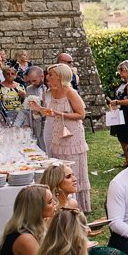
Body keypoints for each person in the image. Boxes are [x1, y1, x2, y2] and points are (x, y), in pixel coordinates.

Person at [33, 64, 91, 212]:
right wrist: (39, 109)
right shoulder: (50, 92)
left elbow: (81, 115)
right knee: (60, 166)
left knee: (73, 167)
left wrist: (60, 114)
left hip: (72, 134)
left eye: (51, 74)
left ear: (59, 76)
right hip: (58, 132)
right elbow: (51, 112)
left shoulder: (71, 92)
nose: (47, 77)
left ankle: (77, 204)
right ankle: (62, 201)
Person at [0, 184, 55, 255]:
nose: (55, 203)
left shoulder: (33, 230)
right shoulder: (25, 239)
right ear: (36, 210)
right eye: (50, 202)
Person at [106, 60, 128, 155]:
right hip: (121, 112)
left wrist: (116, 102)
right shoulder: (123, 83)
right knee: (121, 136)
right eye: (119, 69)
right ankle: (127, 157)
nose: (120, 71)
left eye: (122, 69)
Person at [25, 65, 48, 150]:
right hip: (37, 123)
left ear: (42, 77)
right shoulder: (29, 89)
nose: (32, 83)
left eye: (34, 81)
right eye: (30, 81)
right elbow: (25, 109)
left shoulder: (50, 87)